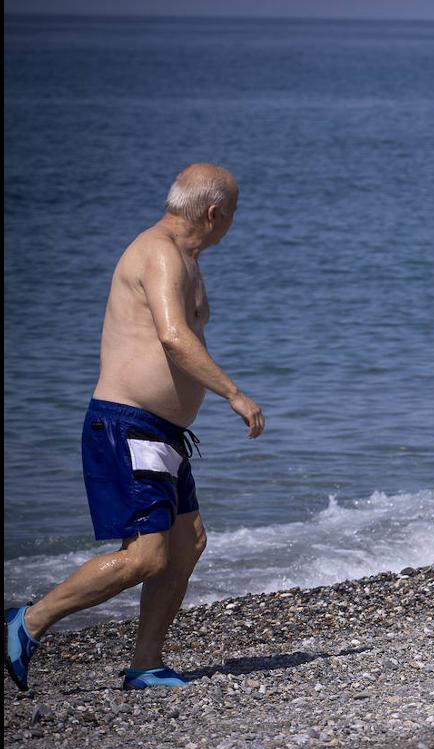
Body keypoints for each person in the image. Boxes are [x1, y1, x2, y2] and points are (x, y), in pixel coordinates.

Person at [4, 164, 265, 691]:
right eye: (233, 213)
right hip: (128, 427)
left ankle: (146, 662)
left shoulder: (187, 258)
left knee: (187, 543)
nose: (232, 223)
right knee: (147, 555)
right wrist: (233, 393)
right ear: (214, 213)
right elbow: (172, 337)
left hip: (162, 433)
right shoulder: (159, 252)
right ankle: (25, 622)